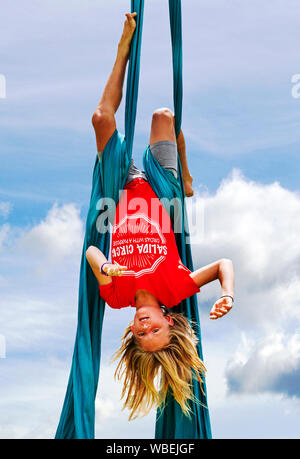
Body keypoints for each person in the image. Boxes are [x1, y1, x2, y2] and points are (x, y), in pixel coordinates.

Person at [86, 12, 235, 420]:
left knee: (101, 119)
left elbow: (91, 257)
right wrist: (227, 294)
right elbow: (223, 263)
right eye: (156, 331)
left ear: (131, 332)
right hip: (161, 188)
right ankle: (184, 174)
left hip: (121, 188)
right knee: (164, 116)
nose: (144, 326)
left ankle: (122, 54)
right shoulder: (175, 290)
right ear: (169, 321)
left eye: (140, 334)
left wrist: (108, 266)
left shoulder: (117, 297)